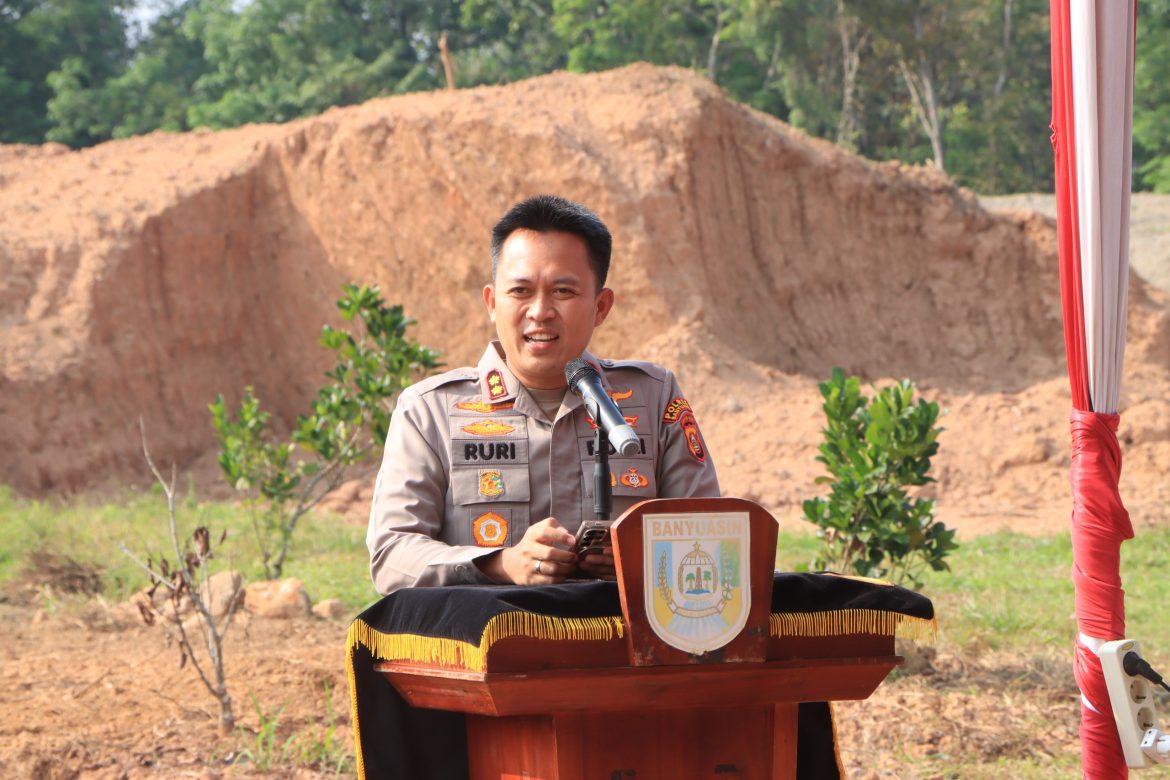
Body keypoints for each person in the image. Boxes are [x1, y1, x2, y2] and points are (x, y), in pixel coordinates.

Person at [366, 195, 720, 594]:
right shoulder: (430, 411)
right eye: (520, 291)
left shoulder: (653, 398)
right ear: (491, 303)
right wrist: (501, 564)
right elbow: (392, 554)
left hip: (622, 647)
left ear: (601, 307)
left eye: (563, 292)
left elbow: (709, 534)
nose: (540, 311)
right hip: (492, 647)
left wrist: (637, 556)